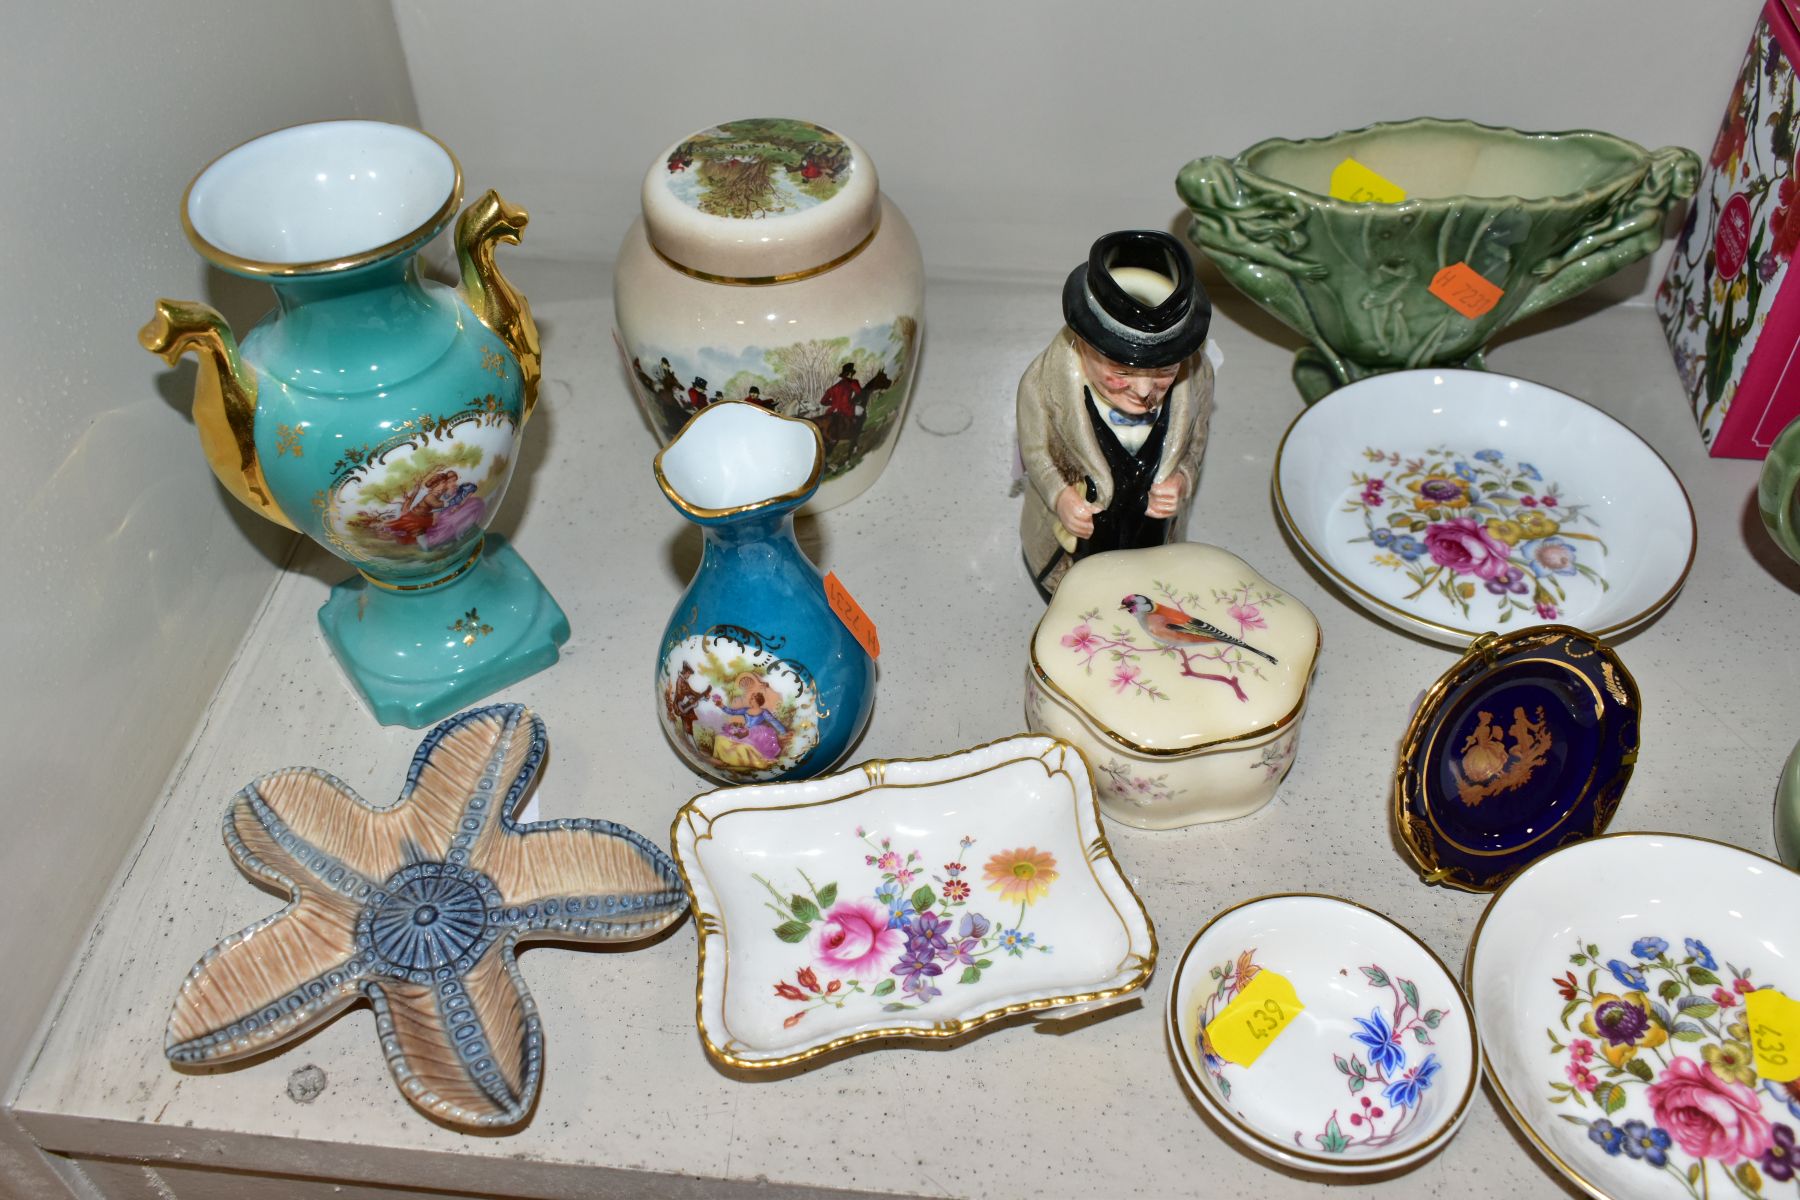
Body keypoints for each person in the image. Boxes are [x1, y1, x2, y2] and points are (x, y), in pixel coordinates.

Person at [1016, 229, 1214, 599]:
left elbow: (1196, 443)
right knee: (1081, 593)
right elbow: (1036, 453)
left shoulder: (1199, 378)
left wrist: (1182, 481)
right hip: (1083, 535)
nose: (1143, 391)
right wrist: (1061, 497)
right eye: (1122, 373)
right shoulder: (1041, 384)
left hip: (1152, 533)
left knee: (1147, 588)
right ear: (1083, 344)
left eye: (1163, 372)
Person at [817, 362, 864, 450]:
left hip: (833, 411)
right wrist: (854, 401)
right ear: (850, 374)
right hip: (847, 409)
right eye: (852, 373)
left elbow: (823, 401)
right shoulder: (853, 382)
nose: (852, 375)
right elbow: (859, 393)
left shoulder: (833, 387)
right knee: (862, 411)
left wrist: (834, 403)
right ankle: (857, 432)